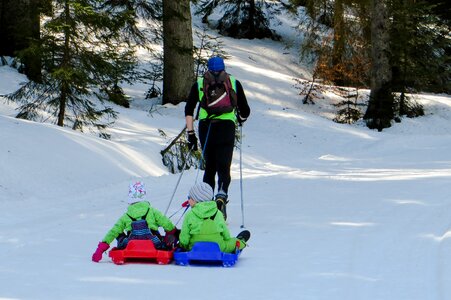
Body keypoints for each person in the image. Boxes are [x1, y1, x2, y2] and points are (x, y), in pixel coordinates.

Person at [185, 56, 250, 220]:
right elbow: (245, 110)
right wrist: (240, 120)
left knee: (210, 168)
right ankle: (221, 196)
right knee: (224, 166)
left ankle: (205, 205)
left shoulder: (200, 83)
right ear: (223, 68)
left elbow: (189, 109)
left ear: (207, 68)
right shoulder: (233, 82)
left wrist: (191, 134)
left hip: (206, 128)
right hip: (226, 128)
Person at [91, 181, 179, 262]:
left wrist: (100, 249)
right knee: (163, 236)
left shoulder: (126, 216)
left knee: (118, 232)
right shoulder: (152, 211)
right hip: (154, 244)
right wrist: (172, 233)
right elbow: (167, 224)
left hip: (130, 244)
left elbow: (113, 232)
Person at [178, 182, 250, 253]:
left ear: (195, 200)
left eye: (189, 198)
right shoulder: (218, 213)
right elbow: (226, 235)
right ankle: (241, 241)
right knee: (233, 242)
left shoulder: (189, 215)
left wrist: (182, 245)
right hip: (219, 247)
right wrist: (227, 240)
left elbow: (184, 238)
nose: (188, 200)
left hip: (194, 248)